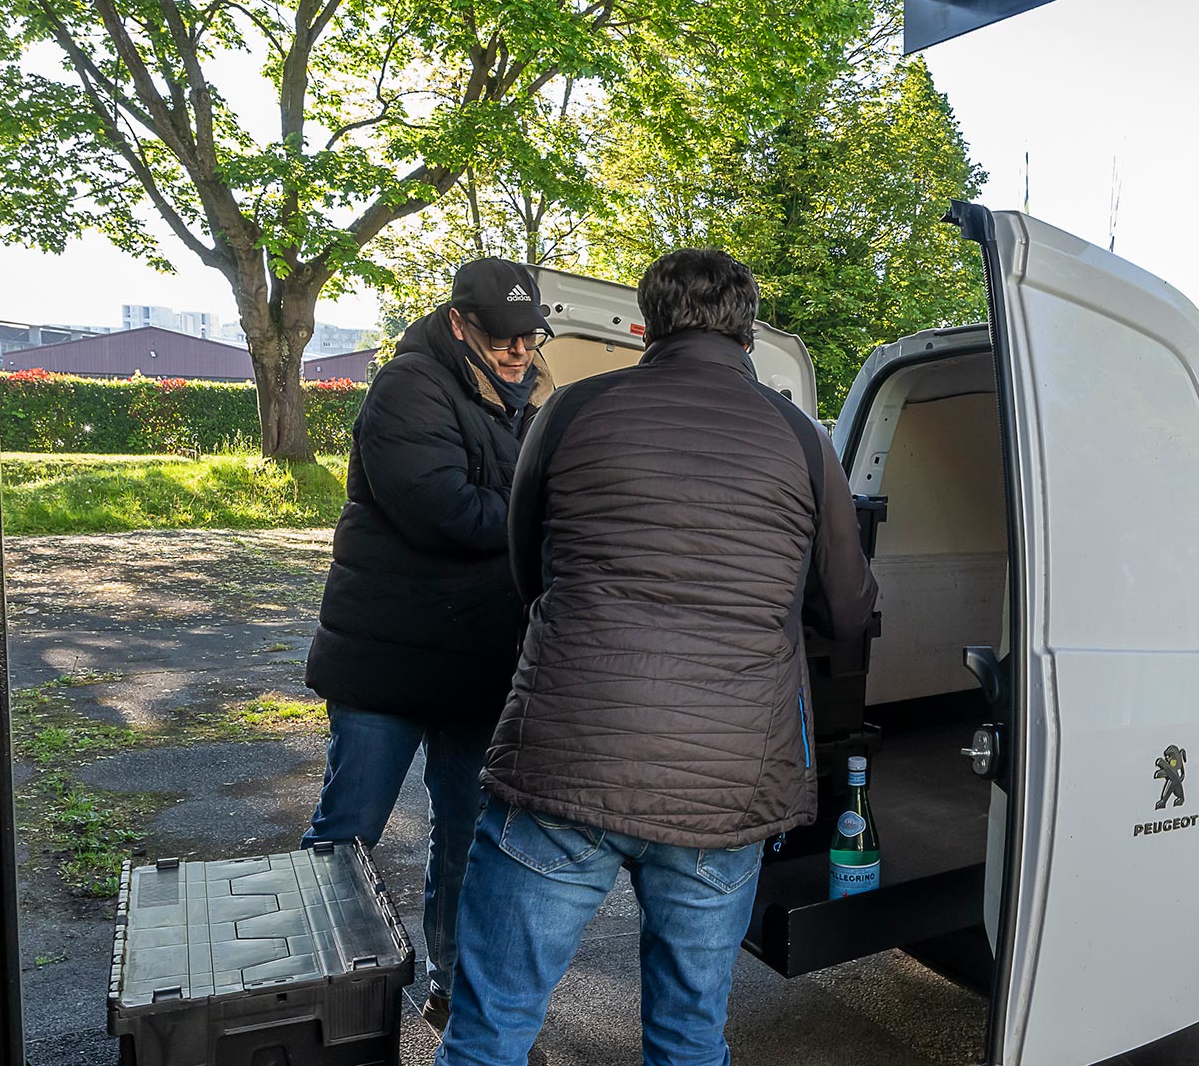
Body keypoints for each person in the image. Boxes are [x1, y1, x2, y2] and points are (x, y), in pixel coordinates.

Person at [433, 249, 878, 1066]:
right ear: (748, 330)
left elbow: (528, 569)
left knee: (491, 1029)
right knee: (687, 1038)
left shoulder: (569, 411)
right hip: (725, 783)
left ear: (649, 322)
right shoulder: (802, 440)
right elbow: (848, 610)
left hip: (566, 758)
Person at [301, 257, 554, 1034]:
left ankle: (451, 993)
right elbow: (441, 508)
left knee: (465, 844)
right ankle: (314, 1002)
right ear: (458, 323)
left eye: (528, 337)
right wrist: (538, 513)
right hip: (387, 662)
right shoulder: (410, 383)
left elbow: (499, 505)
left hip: (477, 663)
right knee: (347, 837)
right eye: (502, 337)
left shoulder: (524, 400)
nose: (518, 352)